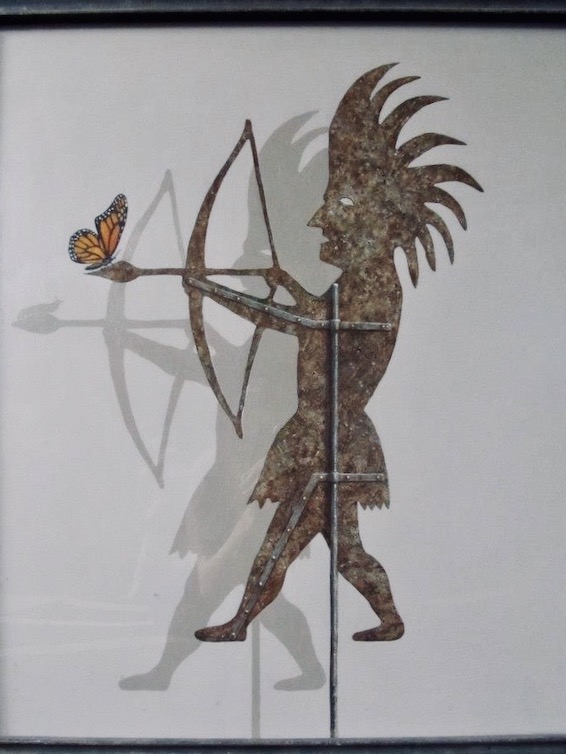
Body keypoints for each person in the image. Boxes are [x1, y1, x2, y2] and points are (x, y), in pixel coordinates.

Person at [181, 64, 482, 643]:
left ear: (376, 216)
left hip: (330, 442)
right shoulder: (360, 283)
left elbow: (305, 325)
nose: (321, 218)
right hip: (325, 435)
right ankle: (388, 618)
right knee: (344, 551)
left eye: (337, 202)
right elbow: (317, 315)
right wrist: (287, 284)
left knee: (282, 540)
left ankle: (242, 623)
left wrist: (210, 289)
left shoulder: (377, 290)